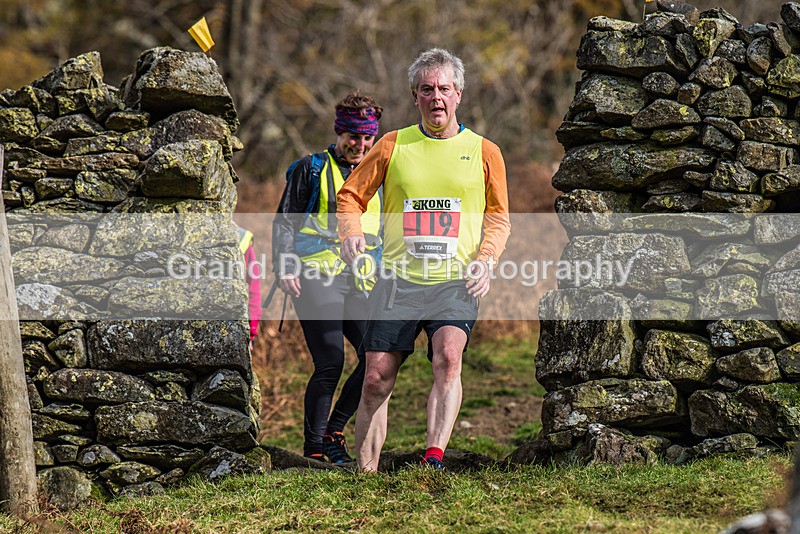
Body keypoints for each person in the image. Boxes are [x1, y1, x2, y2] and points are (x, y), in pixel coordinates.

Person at [337, 48, 511, 472]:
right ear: (415, 95)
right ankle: (366, 472)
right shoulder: (392, 145)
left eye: (445, 89)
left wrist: (485, 259)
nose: (437, 97)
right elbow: (350, 197)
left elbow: (499, 217)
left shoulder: (485, 151)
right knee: (376, 377)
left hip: (455, 281)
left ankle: (433, 460)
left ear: (459, 95)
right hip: (398, 280)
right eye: (427, 89)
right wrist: (352, 234)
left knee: (448, 357)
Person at [272, 92, 383, 463]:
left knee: (378, 356)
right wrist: (285, 264)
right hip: (315, 273)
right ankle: (314, 450)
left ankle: (334, 432)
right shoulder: (311, 168)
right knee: (331, 361)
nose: (360, 145)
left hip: (361, 279)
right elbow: (284, 221)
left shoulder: (380, 172)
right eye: (353, 136)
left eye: (368, 138)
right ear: (339, 132)